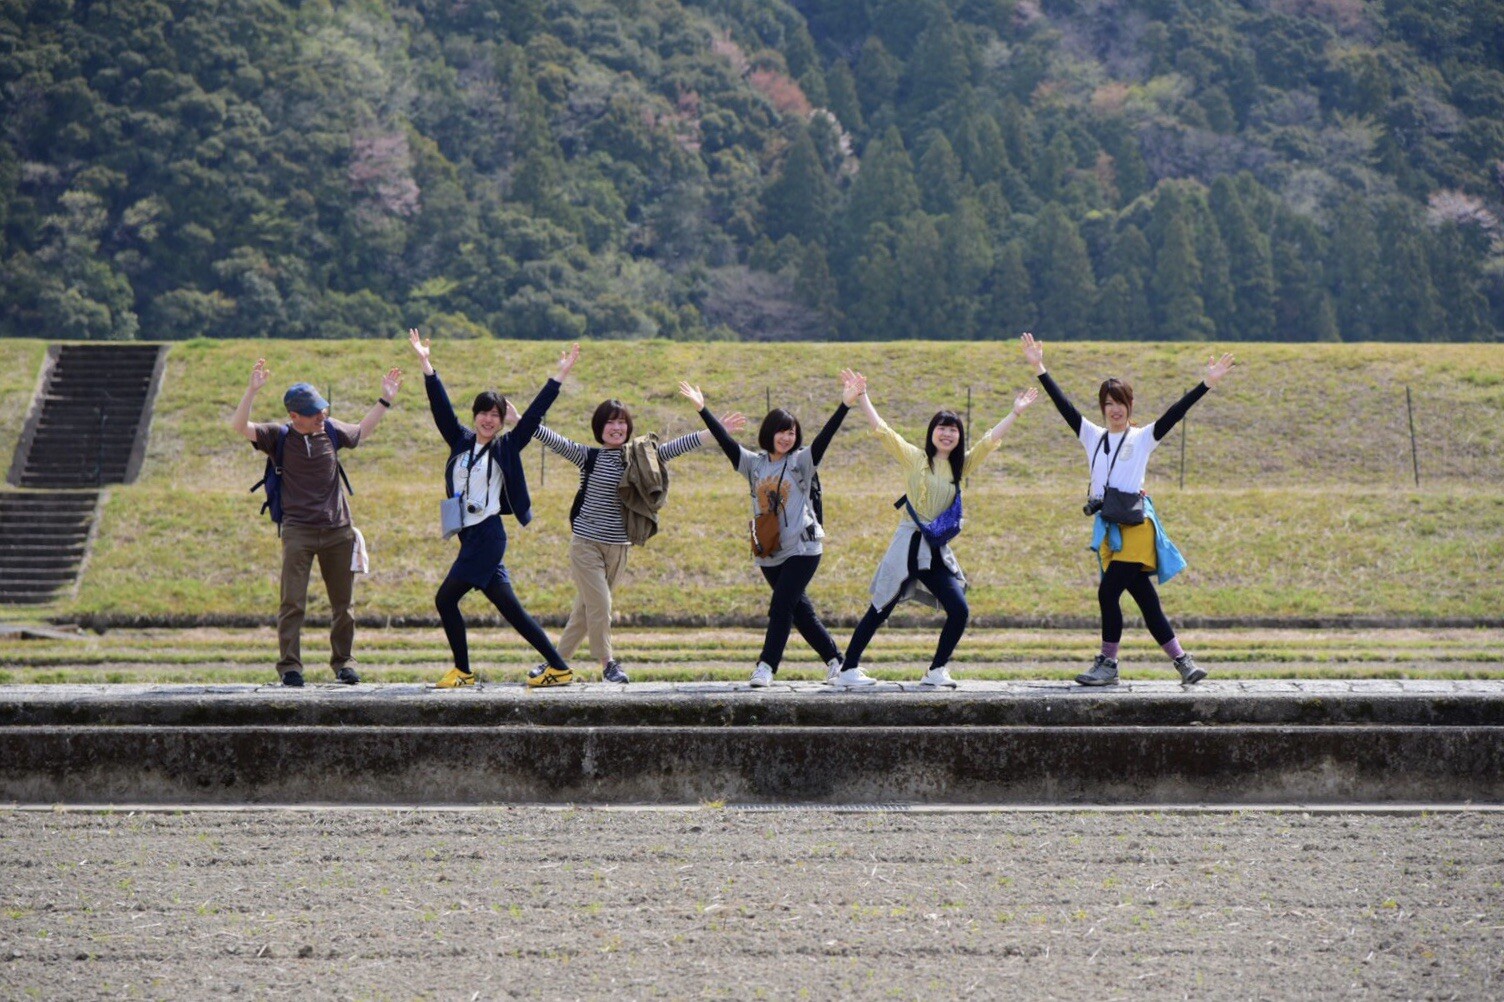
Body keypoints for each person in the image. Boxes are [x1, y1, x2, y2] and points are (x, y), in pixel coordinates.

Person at [1021, 331, 1235, 686]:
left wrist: (1206, 384)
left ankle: (1108, 664)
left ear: (1129, 406)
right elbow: (1064, 407)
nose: (1114, 409)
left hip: (1136, 529)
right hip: (1110, 529)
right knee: (1147, 602)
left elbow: (1175, 414)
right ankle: (1183, 662)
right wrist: (1039, 367)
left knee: (1108, 592)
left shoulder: (1143, 437)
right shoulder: (1092, 435)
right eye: (1108, 403)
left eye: (1120, 402)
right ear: (1102, 407)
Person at [840, 375, 1038, 688]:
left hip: (934, 550)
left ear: (959, 436)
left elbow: (988, 442)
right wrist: (862, 396)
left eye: (953, 429)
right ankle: (847, 669)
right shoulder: (914, 458)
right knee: (881, 606)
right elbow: (883, 431)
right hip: (908, 546)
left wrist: (1015, 413)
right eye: (942, 428)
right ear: (932, 432)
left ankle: (936, 671)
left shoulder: (962, 466)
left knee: (959, 610)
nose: (947, 434)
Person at [409, 329, 580, 688]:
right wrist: (427, 365)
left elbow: (533, 416)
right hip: (469, 535)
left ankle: (463, 672)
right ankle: (559, 667)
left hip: (487, 536)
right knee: (512, 611)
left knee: (445, 599)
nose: (488, 419)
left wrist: (558, 376)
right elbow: (440, 408)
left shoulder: (506, 447)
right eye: (483, 413)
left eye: (495, 415)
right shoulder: (460, 441)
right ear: (475, 416)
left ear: (502, 421)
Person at [530, 399, 746, 682]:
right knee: (601, 605)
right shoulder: (588, 457)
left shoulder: (640, 459)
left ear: (629, 427)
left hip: (619, 548)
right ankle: (608, 665)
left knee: (586, 611)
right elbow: (555, 440)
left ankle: (554, 665)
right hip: (586, 545)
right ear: (599, 428)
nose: (616, 428)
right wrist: (520, 418)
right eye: (610, 422)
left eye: (621, 422)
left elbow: (676, 447)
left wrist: (718, 430)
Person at [679, 372, 863, 687]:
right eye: (781, 432)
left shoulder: (801, 462)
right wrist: (702, 409)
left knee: (781, 605)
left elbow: (823, 440)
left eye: (791, 433)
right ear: (769, 434)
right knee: (799, 610)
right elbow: (726, 444)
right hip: (769, 551)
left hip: (804, 548)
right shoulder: (754, 464)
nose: (786, 438)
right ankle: (838, 663)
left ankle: (766, 666)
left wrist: (844, 406)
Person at [231, 358, 403, 687]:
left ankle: (344, 663)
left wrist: (385, 399)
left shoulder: (332, 430)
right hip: (298, 531)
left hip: (338, 529)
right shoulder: (277, 436)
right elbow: (241, 426)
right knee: (292, 602)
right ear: (295, 416)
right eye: (314, 413)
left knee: (344, 604)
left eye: (323, 409)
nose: (321, 416)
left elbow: (361, 432)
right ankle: (290, 667)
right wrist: (251, 392)